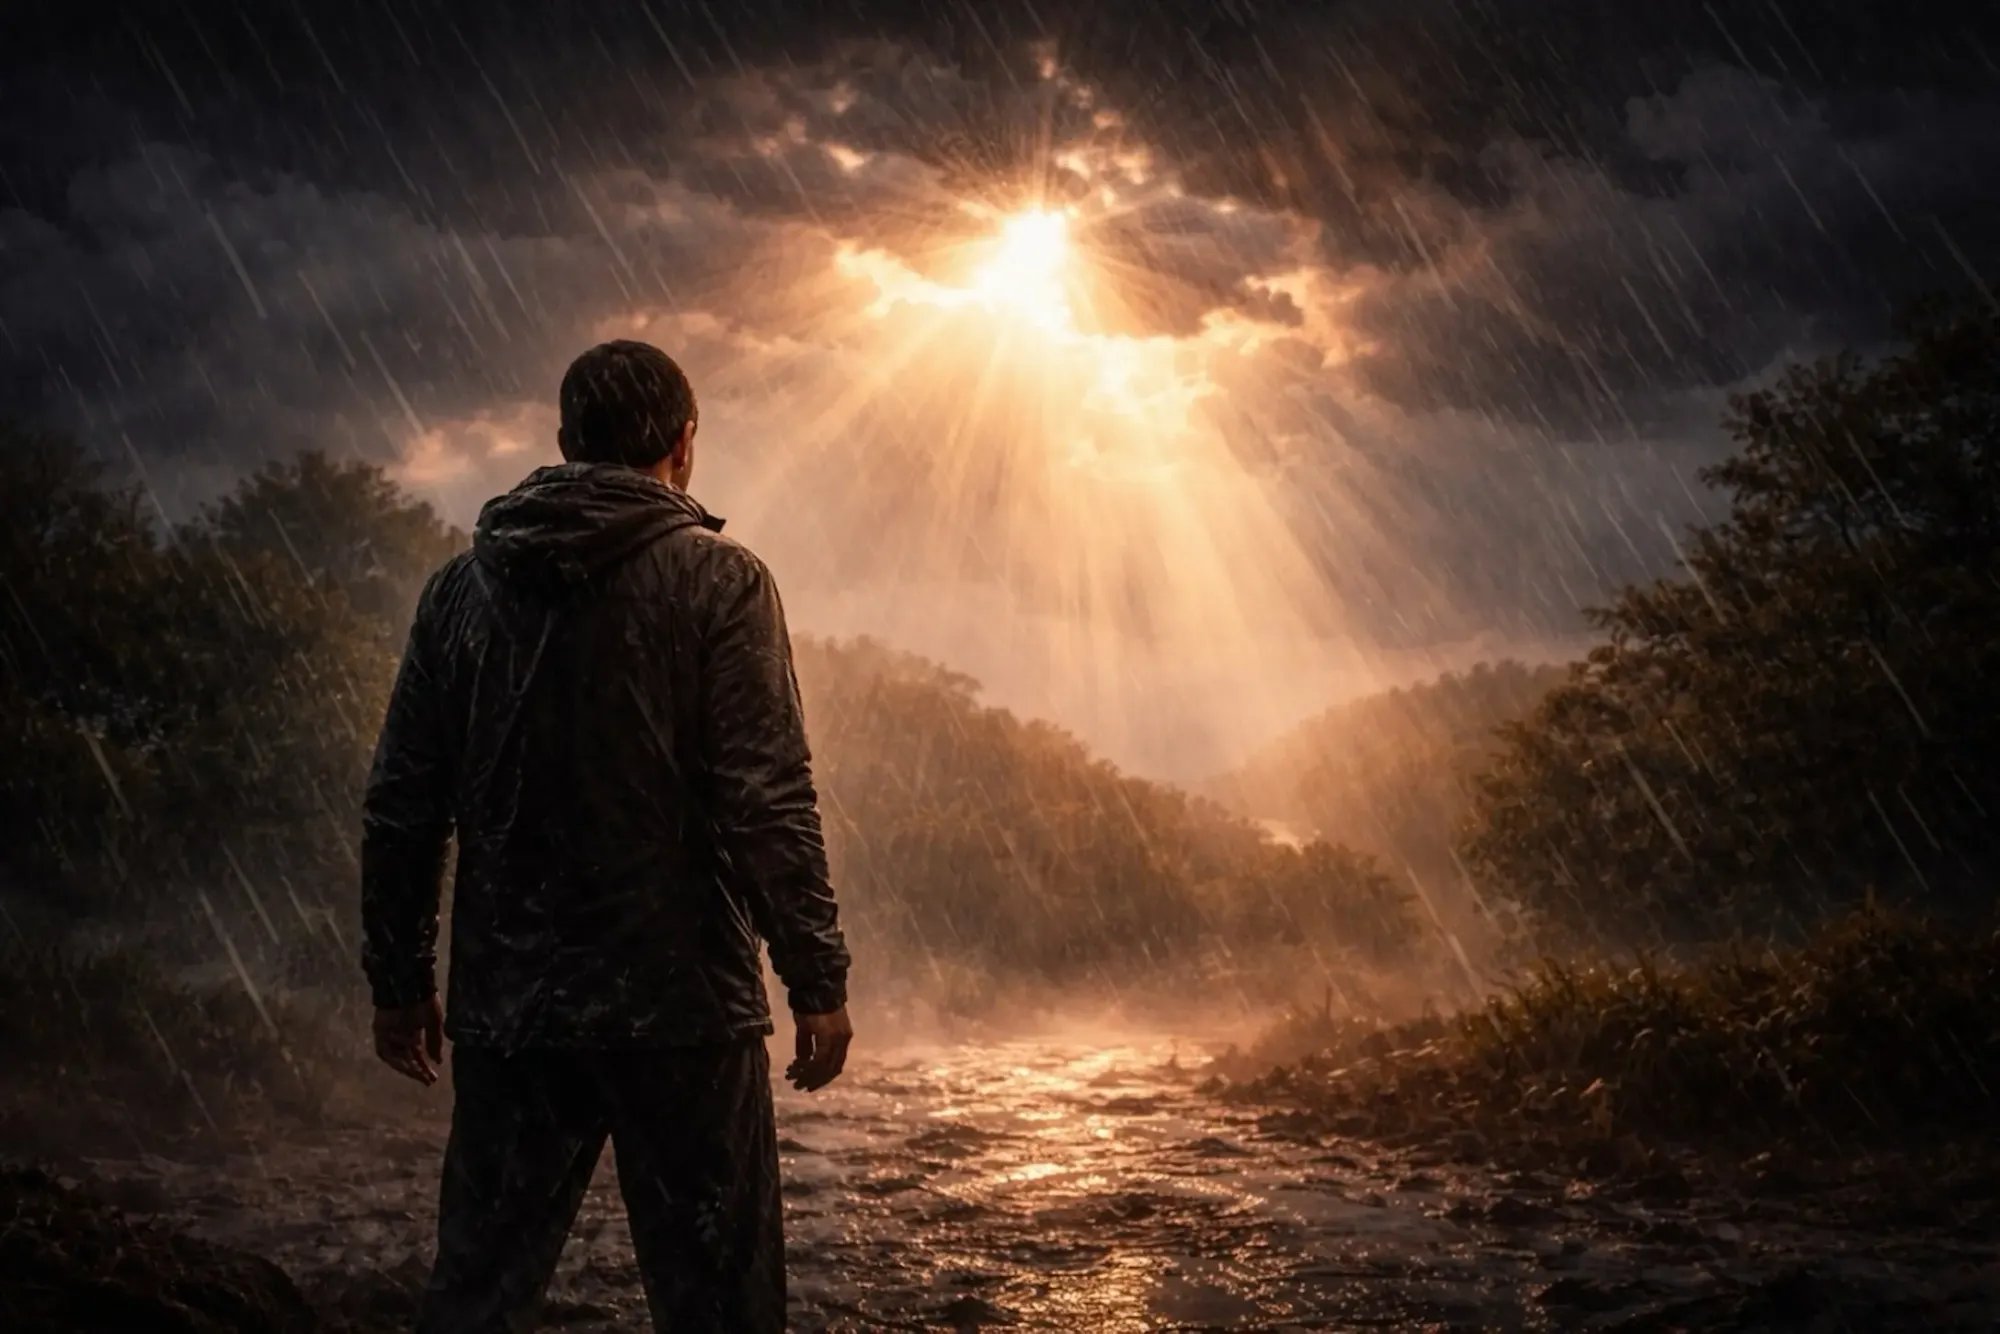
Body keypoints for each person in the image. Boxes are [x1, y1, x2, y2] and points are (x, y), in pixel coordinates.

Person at [360, 339, 853, 1334]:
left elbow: (405, 801)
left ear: (562, 442)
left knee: (477, 1299)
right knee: (718, 1307)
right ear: (684, 443)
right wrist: (815, 973)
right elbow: (764, 795)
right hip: (685, 1010)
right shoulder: (722, 583)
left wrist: (400, 978)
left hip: (513, 1010)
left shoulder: (461, 592)